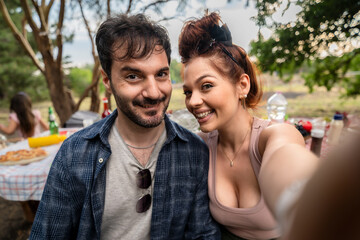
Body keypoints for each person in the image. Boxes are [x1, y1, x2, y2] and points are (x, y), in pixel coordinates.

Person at [30, 13, 220, 240]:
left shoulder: (194, 152)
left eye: (161, 74)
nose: (153, 92)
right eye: (133, 76)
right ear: (107, 80)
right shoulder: (74, 155)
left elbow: (203, 235)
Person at [179, 11, 319, 239]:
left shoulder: (272, 136)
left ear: (242, 86)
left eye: (206, 86)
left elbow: (289, 164)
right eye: (187, 92)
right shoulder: (201, 146)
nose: (193, 102)